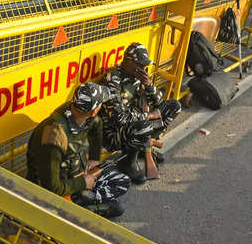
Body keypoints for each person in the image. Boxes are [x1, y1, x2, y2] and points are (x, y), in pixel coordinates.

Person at [26, 82, 130, 218]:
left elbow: (96, 124)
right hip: (54, 191)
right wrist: (84, 182)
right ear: (94, 110)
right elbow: (51, 187)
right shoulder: (54, 137)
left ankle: (82, 202)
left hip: (76, 176)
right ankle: (80, 211)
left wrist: (94, 158)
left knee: (122, 180)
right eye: (100, 105)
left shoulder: (77, 111)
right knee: (118, 208)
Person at [100, 43, 181, 184]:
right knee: (144, 126)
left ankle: (144, 146)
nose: (144, 69)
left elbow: (159, 103)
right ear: (128, 63)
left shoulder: (137, 76)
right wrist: (149, 116)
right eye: (140, 65)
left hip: (137, 124)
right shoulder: (112, 80)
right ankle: (127, 162)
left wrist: (148, 84)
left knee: (173, 106)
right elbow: (119, 118)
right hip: (114, 134)